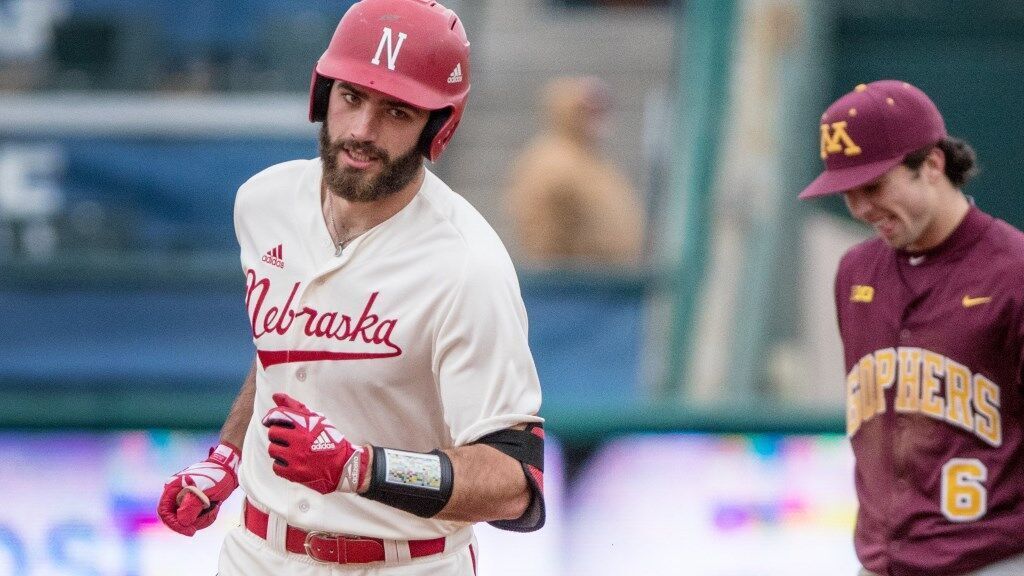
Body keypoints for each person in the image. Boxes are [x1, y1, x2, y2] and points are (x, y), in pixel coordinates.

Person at [156, 1, 546, 574]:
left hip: (406, 563)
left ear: (438, 126)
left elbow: (516, 481)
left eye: (397, 111)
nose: (362, 131)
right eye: (352, 97)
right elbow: (284, 352)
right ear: (322, 94)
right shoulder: (263, 204)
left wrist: (364, 467)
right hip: (256, 554)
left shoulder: (468, 267)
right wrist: (228, 457)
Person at [800, 80, 1024, 576]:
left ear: (933, 165)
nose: (859, 208)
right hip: (883, 563)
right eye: (846, 193)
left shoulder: (1014, 273)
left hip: (994, 558)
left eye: (874, 186)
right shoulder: (855, 273)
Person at [506, 75, 645, 267]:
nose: (598, 120)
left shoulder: (592, 160)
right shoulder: (552, 159)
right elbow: (545, 231)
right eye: (588, 111)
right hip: (571, 282)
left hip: (604, 278)